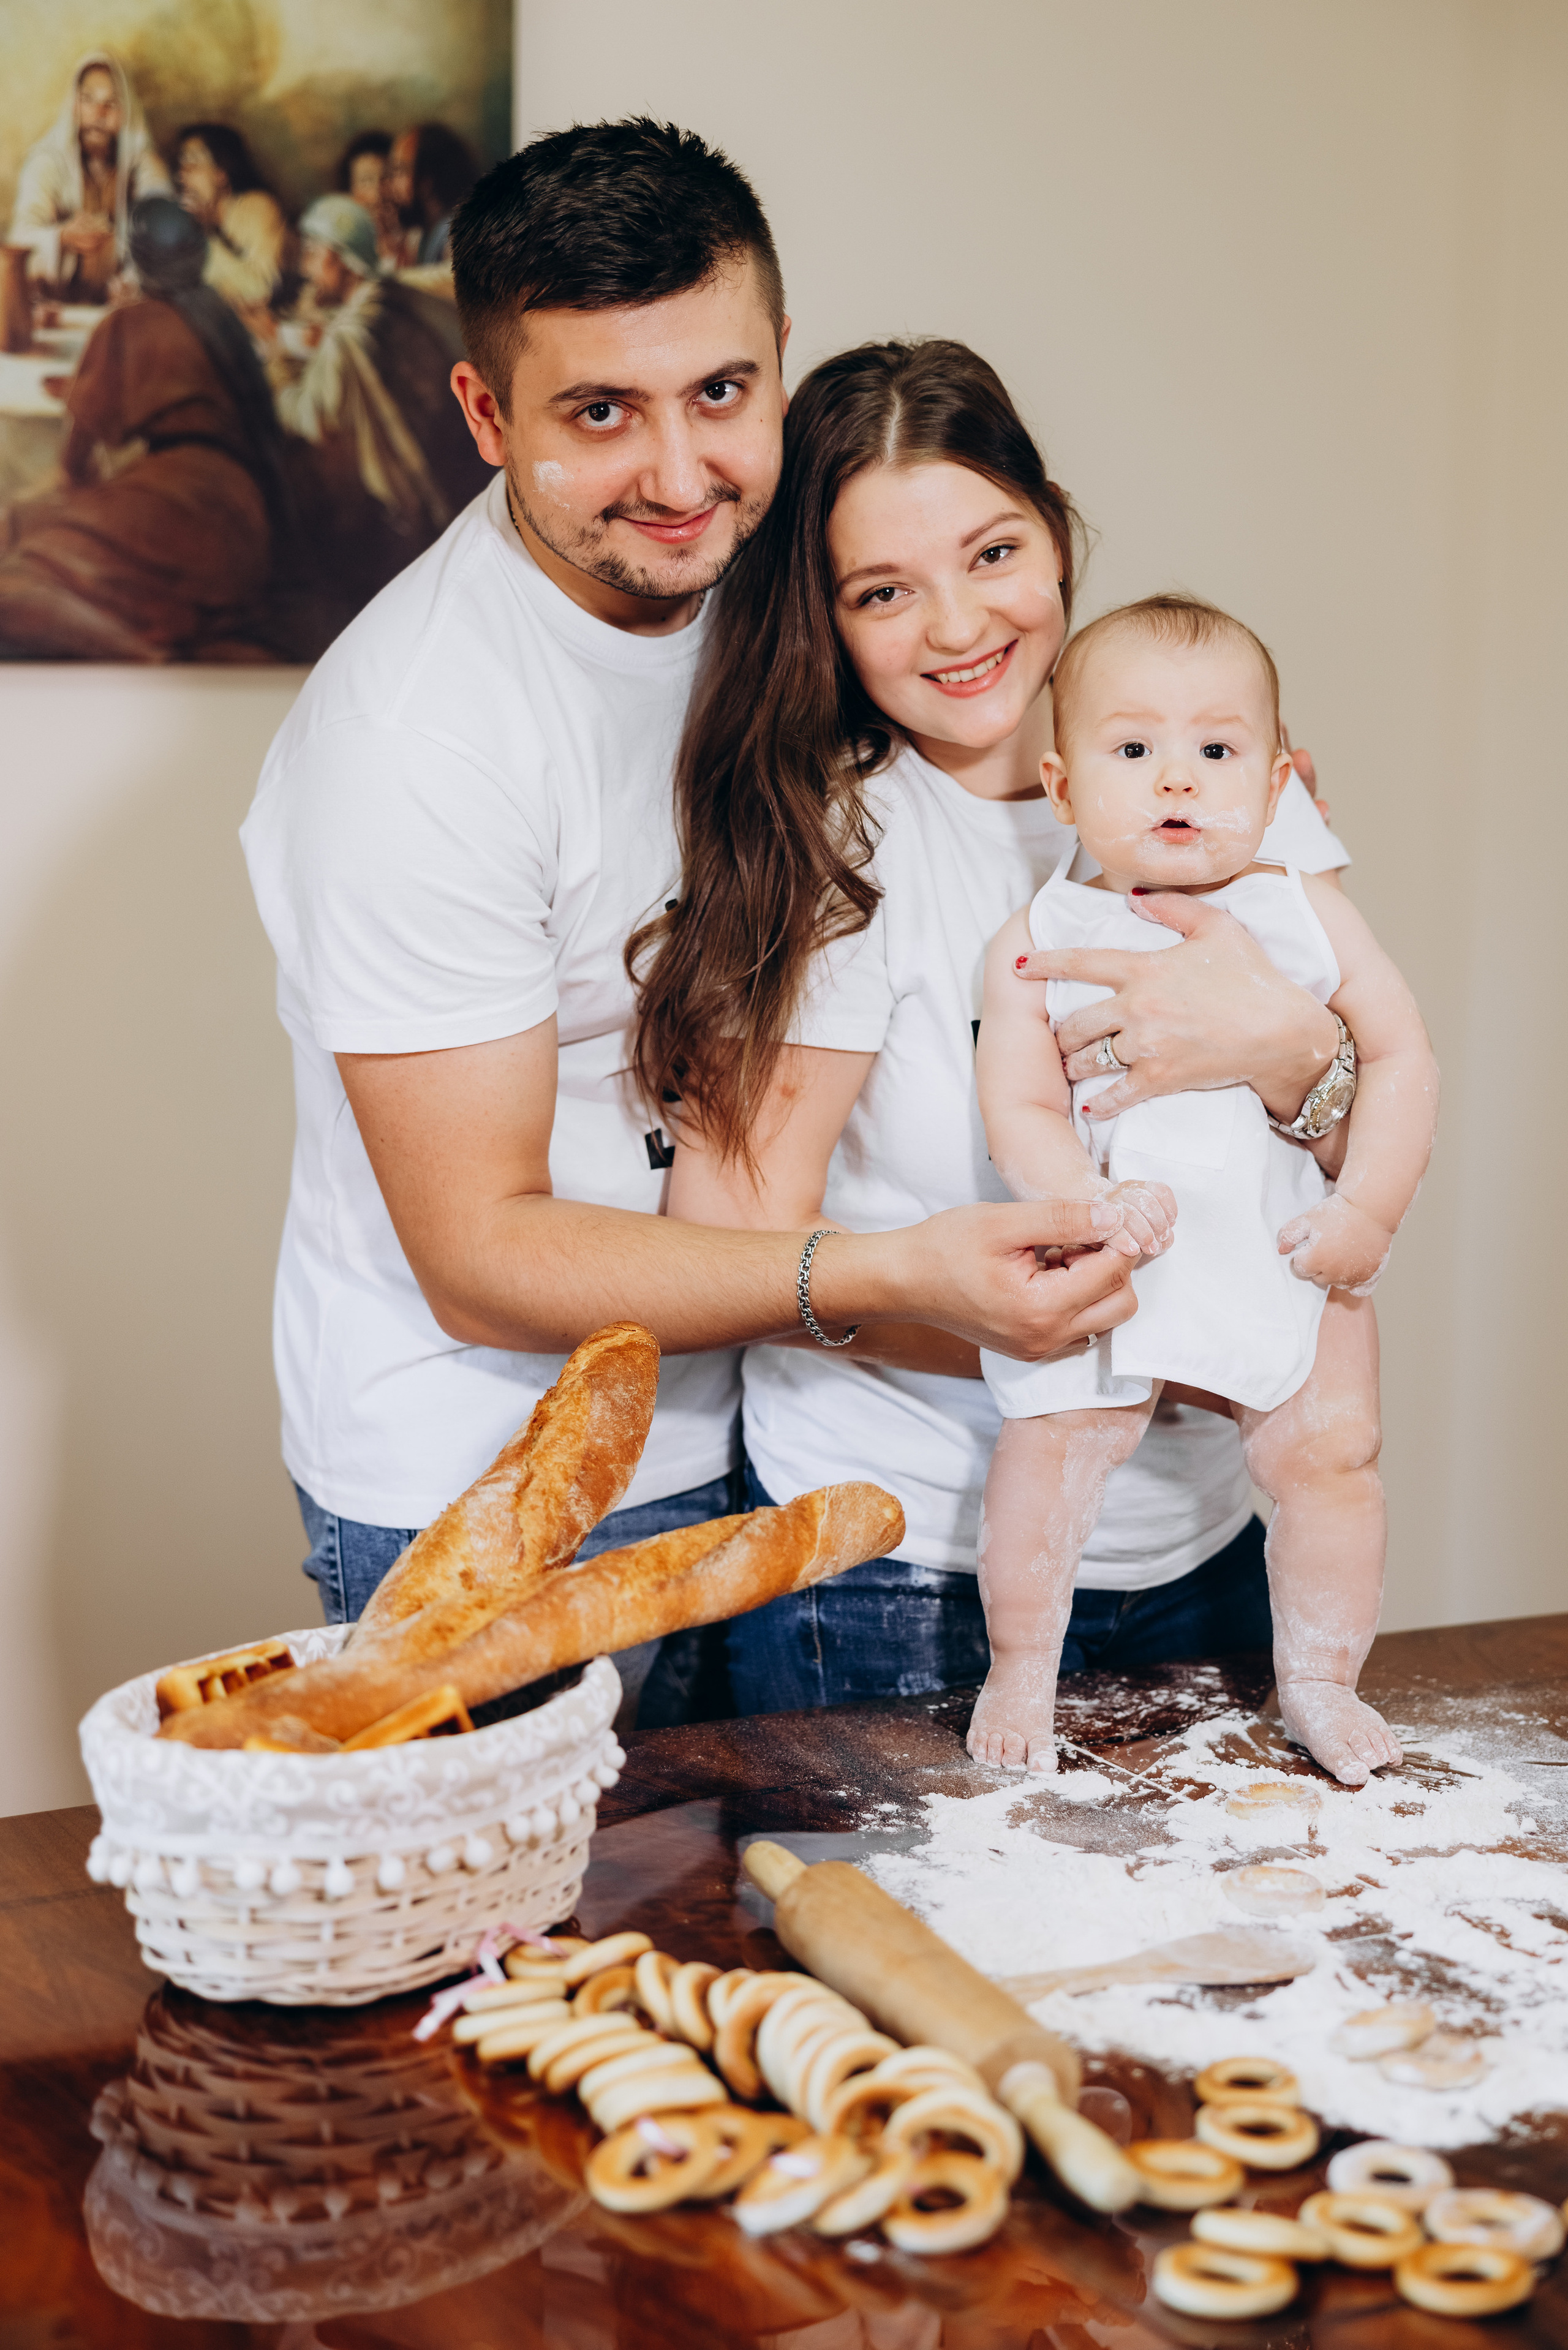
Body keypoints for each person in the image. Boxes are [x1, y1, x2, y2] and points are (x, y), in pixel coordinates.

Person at [239, 124, 1136, 1690]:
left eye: (719, 392)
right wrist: (883, 1273)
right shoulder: (414, 740)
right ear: (484, 412)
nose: (675, 475)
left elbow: (976, 673)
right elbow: (480, 1253)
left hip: (758, 1437)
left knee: (741, 1858)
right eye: (598, 411)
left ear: (777, 357)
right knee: (526, 1867)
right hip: (482, 1480)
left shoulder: (777, 572)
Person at [648, 339, 1359, 1728]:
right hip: (906, 1571)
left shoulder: (1212, 780)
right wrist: (1031, 1325)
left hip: (1202, 1535)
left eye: (992, 553)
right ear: (825, 618)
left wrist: (1291, 1056)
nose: (957, 624)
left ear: (1055, 531)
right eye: (883, 590)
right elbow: (730, 1245)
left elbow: (1341, 1150)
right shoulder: (841, 849)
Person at [971, 595, 1436, 1785]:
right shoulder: (1038, 935)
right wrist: (1077, 1200)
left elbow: (1399, 1056)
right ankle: (1020, 1666)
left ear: (1276, 784)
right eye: (1134, 748)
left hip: (1284, 1247)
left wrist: (1366, 1211)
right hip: (1114, 1248)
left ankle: (1321, 1677)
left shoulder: (1307, 914)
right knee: (1053, 1448)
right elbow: (1020, 1105)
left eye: (1217, 749)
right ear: (1063, 786)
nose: (1177, 777)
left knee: (1331, 1454)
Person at [0, 197, 289, 663]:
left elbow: (73, 464)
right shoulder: (223, 321)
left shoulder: (128, 324)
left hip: (173, 509)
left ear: (136, 258)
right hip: (244, 519)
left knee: (17, 574)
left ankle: (142, 658)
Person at [266, 192, 492, 644]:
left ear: (341, 260)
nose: (306, 267)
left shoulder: (348, 341)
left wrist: (278, 367)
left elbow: (309, 420)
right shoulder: (390, 300)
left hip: (396, 509)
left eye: (313, 254)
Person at [6, 52, 170, 301]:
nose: (99, 113)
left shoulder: (143, 165)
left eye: (111, 103)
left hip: (124, 306)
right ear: (75, 106)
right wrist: (62, 237)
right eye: (88, 100)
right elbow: (20, 239)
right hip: (54, 305)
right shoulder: (47, 162)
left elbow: (165, 237)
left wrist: (131, 281)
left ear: (126, 111)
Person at [175, 123, 290, 314]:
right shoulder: (188, 224)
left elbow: (260, 289)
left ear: (221, 173)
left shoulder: (257, 208)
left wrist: (208, 233)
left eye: (194, 164)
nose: (182, 175)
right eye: (181, 165)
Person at [385, 122, 477, 268]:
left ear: (427, 180)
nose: (393, 184)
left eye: (402, 170)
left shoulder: (457, 236)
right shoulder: (424, 235)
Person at [334, 130, 401, 273]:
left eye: (386, 178)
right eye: (366, 181)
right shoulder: (344, 254)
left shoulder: (415, 241)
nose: (378, 192)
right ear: (350, 192)